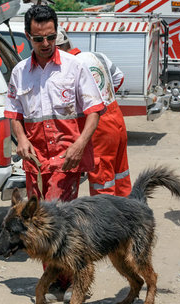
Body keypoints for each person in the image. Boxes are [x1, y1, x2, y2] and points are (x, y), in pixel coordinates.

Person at [4, 5, 105, 300]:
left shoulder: (75, 68)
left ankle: (75, 279)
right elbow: (13, 114)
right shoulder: (20, 73)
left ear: (57, 32)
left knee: (61, 220)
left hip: (66, 158)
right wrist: (21, 140)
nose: (46, 44)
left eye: (51, 37)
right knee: (36, 221)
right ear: (28, 37)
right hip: (35, 160)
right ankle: (53, 279)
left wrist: (79, 145)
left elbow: (94, 111)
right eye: (39, 39)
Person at [56, 28, 132, 196]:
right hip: (116, 116)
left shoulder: (70, 66)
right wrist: (104, 97)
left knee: (102, 179)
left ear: (59, 49)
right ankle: (129, 215)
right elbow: (119, 77)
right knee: (120, 173)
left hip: (98, 125)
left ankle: (107, 220)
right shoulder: (96, 56)